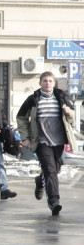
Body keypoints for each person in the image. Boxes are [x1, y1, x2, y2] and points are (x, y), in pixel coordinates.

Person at [16, 71, 76, 216]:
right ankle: (54, 202)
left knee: (55, 170)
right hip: (41, 141)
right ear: (40, 83)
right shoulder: (33, 99)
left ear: (54, 83)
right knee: (50, 171)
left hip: (59, 141)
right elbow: (21, 118)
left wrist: (68, 112)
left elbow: (72, 118)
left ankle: (39, 180)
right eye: (44, 81)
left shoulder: (61, 97)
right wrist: (25, 137)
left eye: (50, 81)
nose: (47, 83)